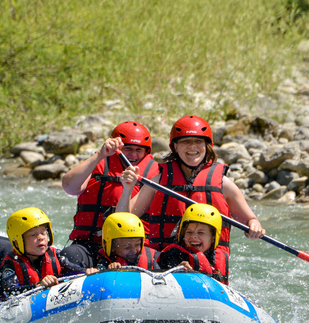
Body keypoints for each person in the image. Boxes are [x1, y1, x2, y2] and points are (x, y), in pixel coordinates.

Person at [118, 115, 264, 255]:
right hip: (164, 263)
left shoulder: (223, 183)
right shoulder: (159, 181)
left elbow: (250, 220)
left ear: (207, 145)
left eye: (198, 141)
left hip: (208, 267)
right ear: (175, 146)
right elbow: (123, 219)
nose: (192, 146)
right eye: (185, 141)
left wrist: (254, 226)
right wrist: (127, 189)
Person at [60, 121, 160, 268]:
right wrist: (100, 154)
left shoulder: (154, 175)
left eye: (139, 150)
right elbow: (69, 187)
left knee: (148, 260)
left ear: (147, 152)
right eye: (128, 149)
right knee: (69, 255)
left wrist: (127, 189)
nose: (133, 155)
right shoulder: (98, 163)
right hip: (90, 244)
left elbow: (125, 217)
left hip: (128, 248)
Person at [0, 207, 87, 299]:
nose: (41, 237)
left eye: (43, 233)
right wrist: (38, 286)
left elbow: (73, 269)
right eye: (33, 235)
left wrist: (87, 272)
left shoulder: (55, 255)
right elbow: (9, 292)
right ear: (17, 243)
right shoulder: (10, 264)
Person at [158, 203, 229, 283]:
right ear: (183, 234)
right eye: (189, 232)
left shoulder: (217, 258)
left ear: (213, 238)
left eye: (201, 232)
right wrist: (177, 271)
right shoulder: (173, 254)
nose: (194, 236)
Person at [94, 212, 159, 271]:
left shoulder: (153, 258)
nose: (133, 250)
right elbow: (98, 273)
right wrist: (108, 271)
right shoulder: (105, 261)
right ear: (112, 247)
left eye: (137, 244)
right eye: (127, 247)